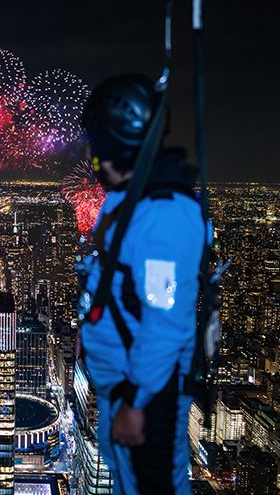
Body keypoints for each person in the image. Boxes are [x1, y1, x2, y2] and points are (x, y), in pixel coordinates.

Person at [77, 74, 209, 494]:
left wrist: (136, 401)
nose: (91, 153)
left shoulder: (162, 215)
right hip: (125, 384)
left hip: (150, 395)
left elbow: (166, 321)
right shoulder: (131, 200)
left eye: (96, 140)